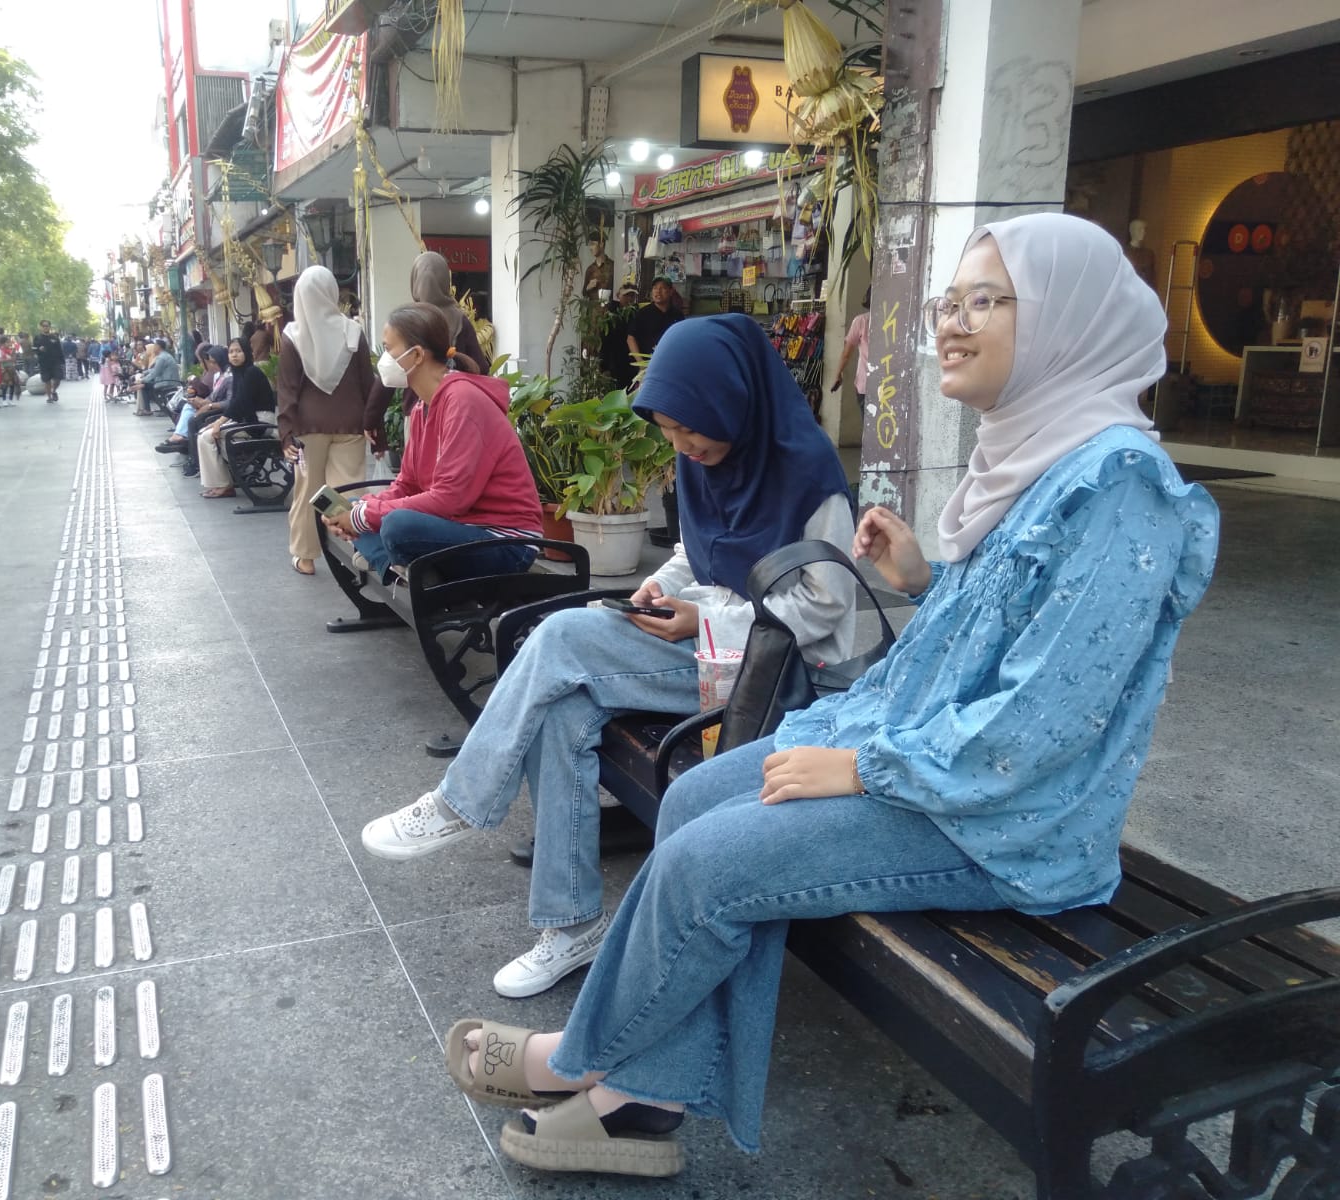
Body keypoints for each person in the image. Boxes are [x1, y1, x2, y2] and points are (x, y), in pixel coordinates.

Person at [441, 212, 1221, 1177]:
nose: (953, 324)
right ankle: (646, 1095)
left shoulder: (1119, 486)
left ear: (1067, 320)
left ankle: (587, 1065)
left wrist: (859, 767)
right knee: (691, 798)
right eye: (949, 301)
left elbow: (1046, 720)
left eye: (985, 301)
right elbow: (1025, 630)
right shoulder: (1040, 455)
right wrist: (926, 581)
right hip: (928, 758)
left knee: (712, 867)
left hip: (1004, 819)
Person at [360, 313, 859, 996]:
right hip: (706, 651)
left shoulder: (808, 473)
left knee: (562, 637)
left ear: (733, 401)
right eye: (669, 432)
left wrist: (705, 618)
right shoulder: (705, 460)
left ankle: (460, 800)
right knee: (564, 708)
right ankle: (571, 927)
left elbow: (827, 605)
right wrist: (661, 588)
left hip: (775, 673)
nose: (682, 445)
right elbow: (695, 553)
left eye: (690, 428)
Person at [325, 302, 538, 582]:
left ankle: (397, 566)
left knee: (396, 526)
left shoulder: (463, 401)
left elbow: (450, 499)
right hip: (459, 527)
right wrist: (359, 510)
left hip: (504, 541)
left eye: (388, 349)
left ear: (416, 355)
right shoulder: (421, 408)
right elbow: (407, 485)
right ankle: (401, 570)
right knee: (351, 505)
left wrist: (364, 517)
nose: (383, 360)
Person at [278, 265, 374, 576]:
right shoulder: (353, 331)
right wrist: (375, 426)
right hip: (351, 424)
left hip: (308, 429)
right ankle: (356, 552)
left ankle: (305, 557)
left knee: (309, 492)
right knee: (347, 490)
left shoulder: (293, 335)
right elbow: (367, 383)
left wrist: (286, 433)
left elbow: (287, 390)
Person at [362, 251, 489, 444]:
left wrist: (371, 420)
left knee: (418, 462)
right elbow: (481, 368)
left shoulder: (408, 322)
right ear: (446, 281)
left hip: (416, 414)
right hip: (454, 413)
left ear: (414, 281)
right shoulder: (460, 320)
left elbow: (388, 374)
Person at [197, 336, 276, 498]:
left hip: (260, 422)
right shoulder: (238, 373)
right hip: (247, 419)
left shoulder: (252, 372)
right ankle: (222, 481)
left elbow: (240, 402)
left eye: (238, 351)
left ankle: (224, 484)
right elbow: (235, 403)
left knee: (207, 437)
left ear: (246, 352)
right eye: (231, 351)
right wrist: (218, 423)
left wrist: (219, 423)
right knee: (203, 433)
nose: (234, 355)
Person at [830, 288, 872, 407]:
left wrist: (838, 375)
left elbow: (846, 354)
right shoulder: (892, 320)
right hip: (888, 384)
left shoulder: (861, 321)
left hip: (865, 384)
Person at [626, 276, 682, 362]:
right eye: (655, 288)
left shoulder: (677, 315)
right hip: (647, 363)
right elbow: (631, 338)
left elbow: (681, 340)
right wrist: (640, 361)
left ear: (671, 291)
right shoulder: (643, 313)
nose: (658, 291)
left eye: (662, 288)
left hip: (670, 361)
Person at [598, 284, 639, 391]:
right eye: (626, 295)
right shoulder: (610, 314)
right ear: (618, 296)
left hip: (632, 363)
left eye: (632, 296)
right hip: (614, 362)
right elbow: (605, 341)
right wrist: (604, 366)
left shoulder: (637, 314)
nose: (629, 299)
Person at [136, 338, 180, 416]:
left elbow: (155, 373)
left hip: (167, 382)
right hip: (169, 380)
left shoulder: (162, 358)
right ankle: (157, 408)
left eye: (155, 346)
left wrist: (143, 380)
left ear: (158, 347)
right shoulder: (164, 356)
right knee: (146, 385)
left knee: (145, 386)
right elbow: (155, 369)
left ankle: (150, 409)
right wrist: (145, 373)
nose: (153, 348)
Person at [33, 321, 63, 403]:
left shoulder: (54, 337)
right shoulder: (37, 337)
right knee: (47, 380)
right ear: (41, 327)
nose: (45, 327)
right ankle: (49, 397)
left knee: (58, 378)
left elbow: (59, 349)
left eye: (47, 326)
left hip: (55, 362)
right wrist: (39, 349)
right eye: (43, 326)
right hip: (44, 362)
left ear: (50, 327)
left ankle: (54, 391)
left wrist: (62, 361)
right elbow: (33, 348)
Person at [0, 334, 20, 405]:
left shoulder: (10, 350)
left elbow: (14, 360)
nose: (9, 344)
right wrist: (9, 359)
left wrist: (14, 355)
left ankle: (10, 399)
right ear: (3, 343)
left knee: (12, 384)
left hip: (11, 369)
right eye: (7, 342)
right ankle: (4, 400)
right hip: (3, 370)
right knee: (5, 384)